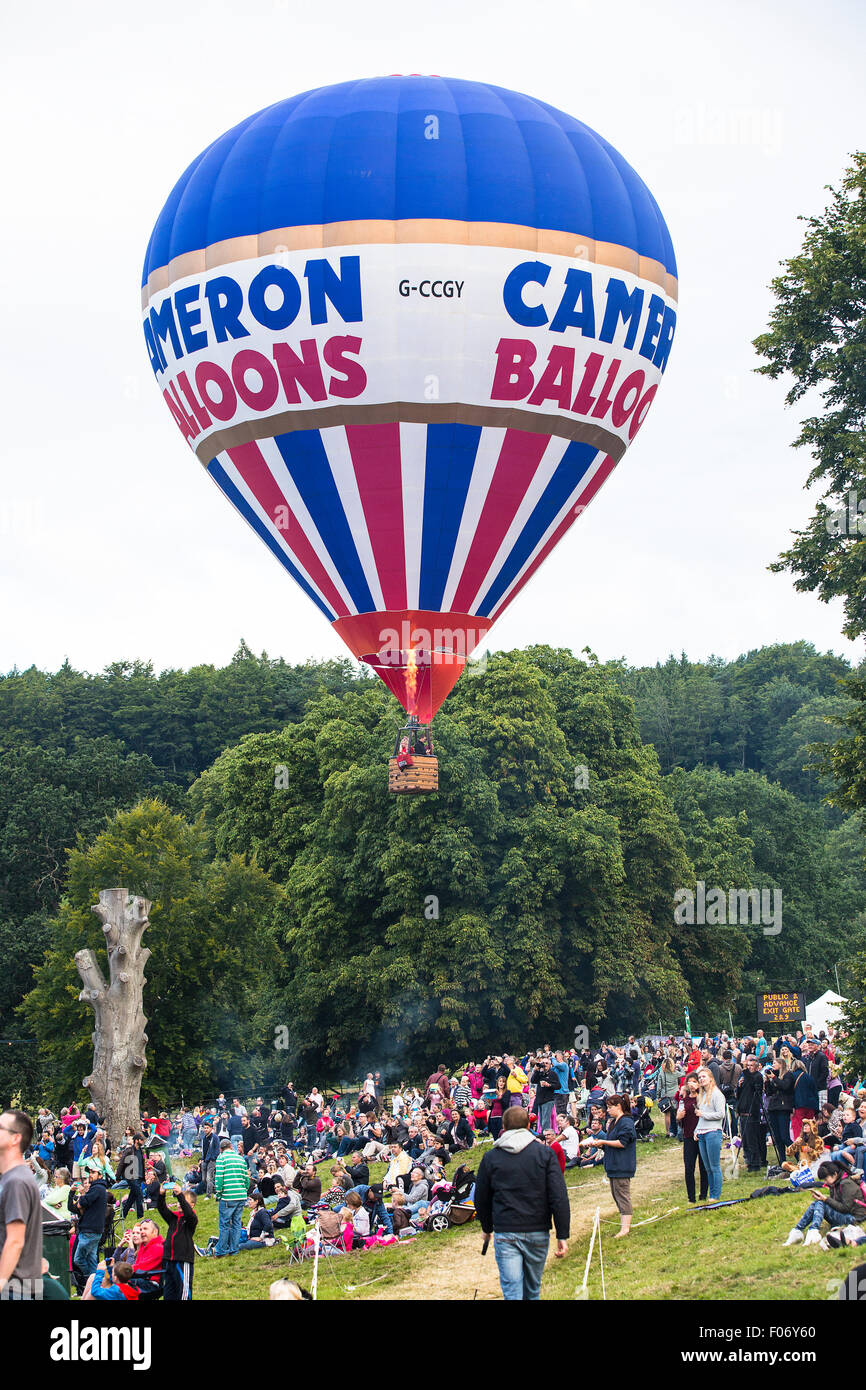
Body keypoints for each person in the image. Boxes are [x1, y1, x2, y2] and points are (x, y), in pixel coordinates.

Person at [474, 1104, 569, 1302]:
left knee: (513, 1293)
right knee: (531, 1291)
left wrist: (486, 1227)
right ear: (528, 1125)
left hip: (508, 1230)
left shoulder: (492, 1157)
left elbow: (481, 1197)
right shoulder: (544, 1154)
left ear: (504, 1126)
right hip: (535, 1230)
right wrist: (562, 1234)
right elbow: (558, 1196)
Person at [0, 1110, 43, 1300]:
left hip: (13, 1288)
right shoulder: (10, 1178)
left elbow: (15, 1241)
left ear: (15, 1138)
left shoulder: (16, 1181)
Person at [582, 1095, 637, 1237]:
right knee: (616, 1195)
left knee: (623, 1195)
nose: (608, 1110)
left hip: (622, 1164)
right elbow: (611, 1143)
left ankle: (625, 1229)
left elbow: (622, 1142)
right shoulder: (613, 1122)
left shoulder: (626, 1122)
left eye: (610, 1107)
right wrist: (599, 1144)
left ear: (618, 1106)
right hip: (613, 1164)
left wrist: (603, 1142)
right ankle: (624, 1225)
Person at [783, 1161, 866, 1246]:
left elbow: (845, 1208)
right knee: (816, 1203)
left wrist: (826, 1199)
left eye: (826, 1179)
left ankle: (812, 1231)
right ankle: (799, 1230)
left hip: (854, 1218)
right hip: (846, 1215)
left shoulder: (846, 1184)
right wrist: (824, 1199)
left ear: (835, 1174)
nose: (825, 1182)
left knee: (821, 1203)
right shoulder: (835, 1184)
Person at [157, 1183, 198, 1300]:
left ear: (192, 1205)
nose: (180, 1204)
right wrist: (161, 1194)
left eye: (184, 1201)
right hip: (168, 1260)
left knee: (183, 1293)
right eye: (179, 1201)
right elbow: (162, 1209)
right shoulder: (174, 1218)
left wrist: (180, 1194)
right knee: (169, 1293)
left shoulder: (191, 1219)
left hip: (182, 1259)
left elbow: (188, 1212)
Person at [211, 1139, 250, 1258]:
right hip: (241, 1195)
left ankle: (221, 1250)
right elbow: (246, 1178)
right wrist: (245, 1190)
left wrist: (219, 1193)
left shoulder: (221, 1158)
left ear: (220, 1149)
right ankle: (234, 1249)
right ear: (231, 1146)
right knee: (237, 1223)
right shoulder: (240, 1158)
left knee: (224, 1224)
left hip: (228, 1196)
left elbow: (219, 1178)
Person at [695, 1066, 726, 1202]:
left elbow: (721, 1114)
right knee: (707, 1167)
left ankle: (715, 1195)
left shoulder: (717, 1094)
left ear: (710, 1078)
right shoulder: (701, 1096)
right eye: (700, 1077)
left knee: (714, 1166)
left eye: (704, 1077)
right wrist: (696, 1130)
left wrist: (704, 1114)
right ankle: (711, 1194)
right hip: (702, 1132)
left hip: (713, 1132)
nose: (701, 1079)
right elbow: (700, 1117)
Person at [676, 1073, 708, 1204]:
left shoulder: (703, 1097)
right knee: (689, 1167)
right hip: (688, 1135)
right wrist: (678, 1118)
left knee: (703, 1166)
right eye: (689, 1082)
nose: (692, 1084)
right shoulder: (684, 1100)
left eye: (695, 1081)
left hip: (702, 1134)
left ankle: (703, 1194)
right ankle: (691, 1197)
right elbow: (679, 1119)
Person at [72, 1172, 108, 1284]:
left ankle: (90, 1279)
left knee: (78, 1259)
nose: (90, 1175)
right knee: (92, 1260)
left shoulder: (97, 1188)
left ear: (100, 1175)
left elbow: (80, 1204)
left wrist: (82, 1194)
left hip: (89, 1230)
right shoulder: (100, 1188)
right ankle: (97, 1283)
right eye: (90, 1172)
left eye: (93, 1172)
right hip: (94, 1230)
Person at [735, 1054, 767, 1172]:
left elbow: (755, 1086)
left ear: (757, 1067)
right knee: (745, 1140)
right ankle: (749, 1161)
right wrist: (739, 1086)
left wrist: (745, 1071)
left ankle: (755, 1163)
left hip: (752, 1113)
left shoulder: (758, 1076)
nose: (749, 1068)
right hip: (742, 1111)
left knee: (752, 1139)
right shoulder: (745, 1077)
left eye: (751, 1066)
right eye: (748, 1066)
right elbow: (739, 1095)